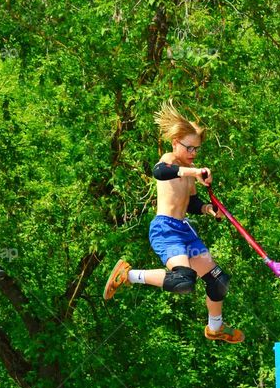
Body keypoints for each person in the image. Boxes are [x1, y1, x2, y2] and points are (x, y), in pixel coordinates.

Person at [103, 101, 244, 344]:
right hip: (166, 229)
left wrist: (210, 210)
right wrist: (195, 172)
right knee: (183, 281)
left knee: (219, 280)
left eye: (197, 149)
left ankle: (215, 327)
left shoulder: (188, 170)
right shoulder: (170, 161)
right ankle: (128, 275)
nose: (193, 154)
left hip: (185, 230)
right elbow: (160, 172)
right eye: (189, 148)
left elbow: (191, 203)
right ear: (175, 143)